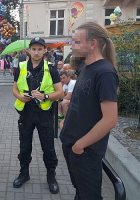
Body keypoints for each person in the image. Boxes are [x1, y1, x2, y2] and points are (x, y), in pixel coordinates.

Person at [60, 22, 118, 200]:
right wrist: (66, 120)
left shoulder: (105, 73)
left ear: (92, 44)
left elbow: (110, 119)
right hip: (73, 145)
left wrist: (80, 145)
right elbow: (81, 102)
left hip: (85, 151)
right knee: (80, 191)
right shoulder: (86, 67)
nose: (72, 45)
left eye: (77, 42)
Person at [12, 37, 64, 194]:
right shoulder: (20, 67)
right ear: (28, 50)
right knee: (24, 146)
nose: (36, 52)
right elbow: (14, 88)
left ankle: (51, 176)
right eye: (33, 49)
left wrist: (45, 97)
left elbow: (60, 92)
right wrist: (19, 96)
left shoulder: (52, 69)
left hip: (43, 114)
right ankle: (24, 173)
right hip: (26, 112)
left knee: (48, 147)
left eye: (39, 49)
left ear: (44, 50)